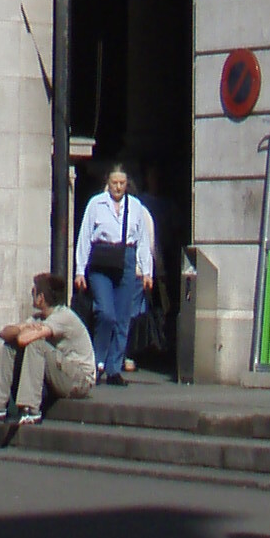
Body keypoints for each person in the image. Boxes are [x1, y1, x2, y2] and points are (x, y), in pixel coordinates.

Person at [0, 272, 97, 436]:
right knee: (10, 345)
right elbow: (4, 333)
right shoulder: (39, 318)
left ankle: (30, 409)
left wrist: (24, 331)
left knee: (36, 344)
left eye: (34, 291)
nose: (31, 294)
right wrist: (22, 328)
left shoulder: (64, 317)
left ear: (41, 298)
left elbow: (25, 340)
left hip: (80, 379)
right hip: (59, 374)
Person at [75, 162, 156, 385]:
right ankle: (97, 361)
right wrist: (80, 270)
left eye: (122, 183)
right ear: (107, 183)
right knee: (105, 313)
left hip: (127, 259)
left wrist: (147, 271)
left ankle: (113, 367)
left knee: (123, 317)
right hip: (102, 259)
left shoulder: (136, 206)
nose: (118, 187)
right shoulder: (96, 204)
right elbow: (84, 237)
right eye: (114, 183)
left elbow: (142, 241)